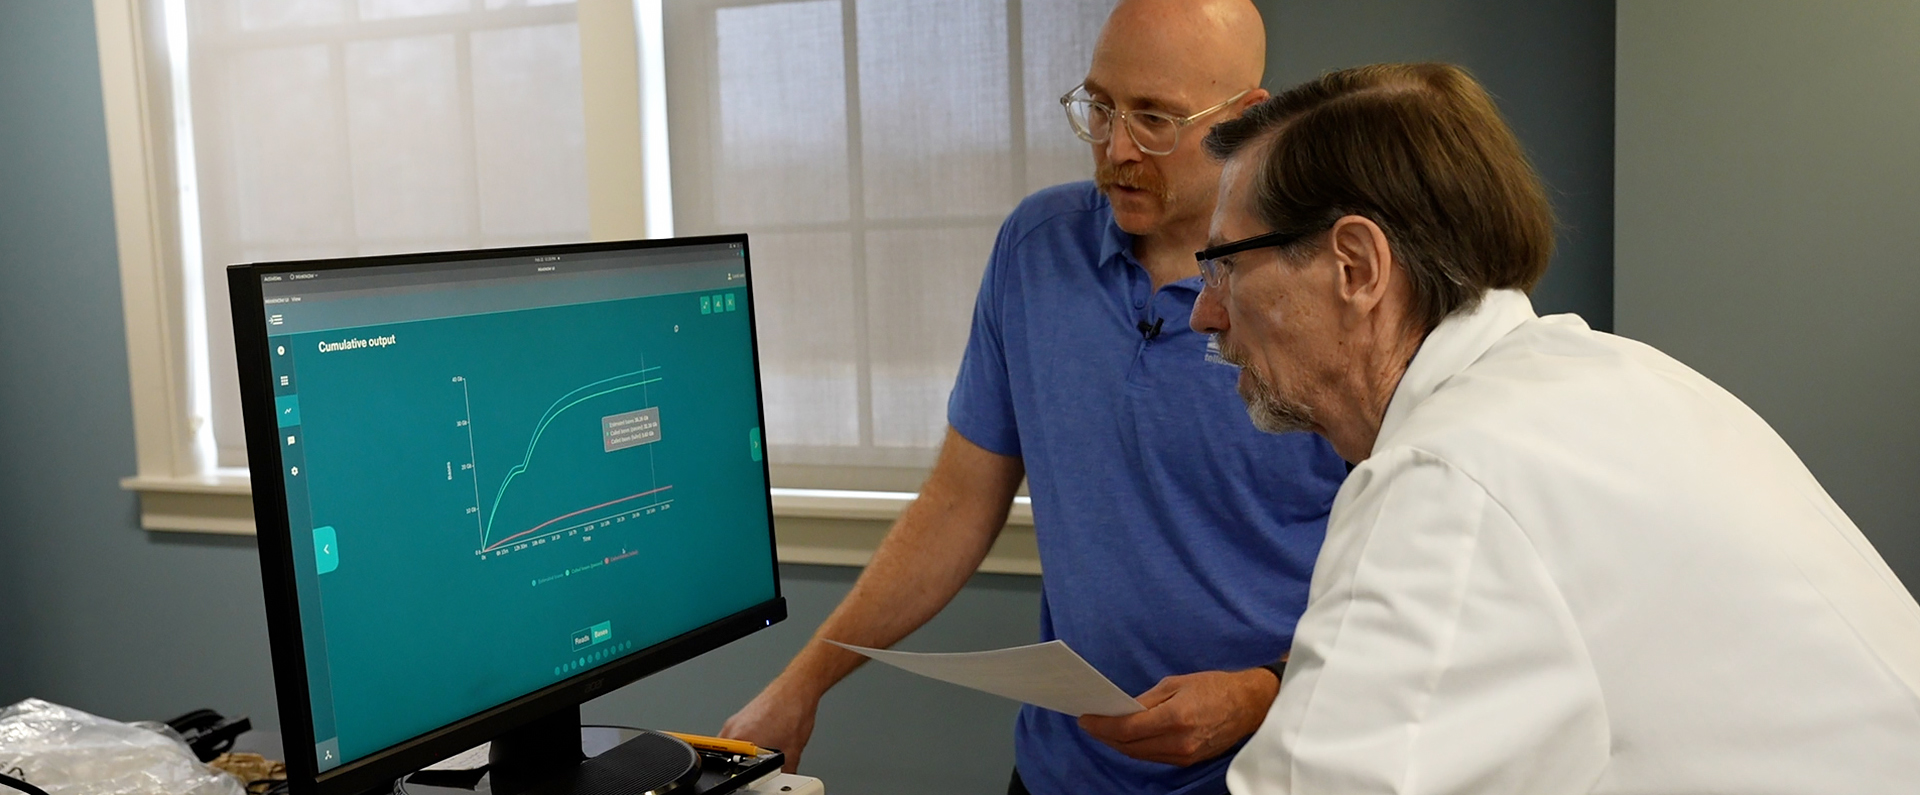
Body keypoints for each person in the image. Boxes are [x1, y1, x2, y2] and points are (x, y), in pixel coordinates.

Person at [1187, 62, 1920, 794]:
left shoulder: (1448, 479)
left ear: (1356, 265)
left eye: (1224, 266)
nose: (1205, 314)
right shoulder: (1614, 380)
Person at [719, 2, 1350, 793]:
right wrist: (801, 682)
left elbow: (1404, 584)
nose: (1117, 148)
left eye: (1155, 118)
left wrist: (1265, 688)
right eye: (1100, 107)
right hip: (1062, 774)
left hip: (1261, 772)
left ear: (1248, 120)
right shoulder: (1035, 248)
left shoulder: (1327, 291)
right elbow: (956, 504)